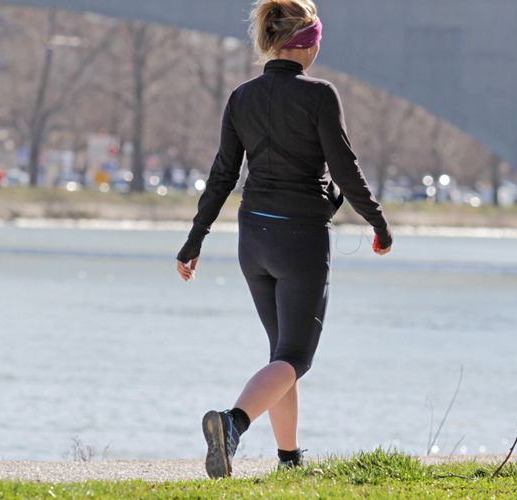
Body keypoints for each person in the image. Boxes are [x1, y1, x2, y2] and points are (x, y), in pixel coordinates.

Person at [176, 0, 392, 478]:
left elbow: (222, 176)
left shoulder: (241, 97)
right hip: (300, 241)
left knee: (281, 355)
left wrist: (194, 241)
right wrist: (377, 223)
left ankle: (290, 461)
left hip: (253, 239)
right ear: (309, 44)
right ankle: (232, 423)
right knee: (296, 357)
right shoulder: (320, 95)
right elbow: (345, 168)